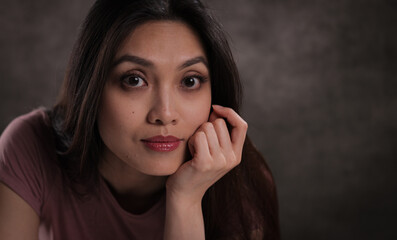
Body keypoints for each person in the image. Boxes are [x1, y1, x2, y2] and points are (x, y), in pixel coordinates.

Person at [0, 0, 280, 239]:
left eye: (190, 80)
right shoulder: (31, 145)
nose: (165, 114)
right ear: (91, 87)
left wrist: (185, 201)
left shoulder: (242, 183)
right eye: (134, 80)